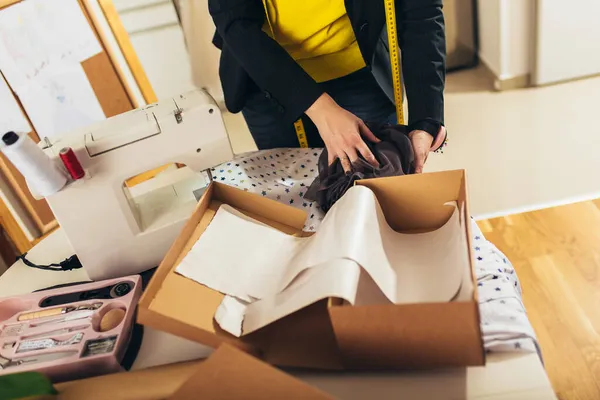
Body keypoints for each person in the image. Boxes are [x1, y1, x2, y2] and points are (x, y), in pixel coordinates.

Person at [208, 0, 446, 173]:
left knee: (379, 199)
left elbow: (421, 10)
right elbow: (235, 23)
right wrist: (322, 111)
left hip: (360, 72)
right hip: (269, 79)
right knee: (298, 204)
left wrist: (426, 117)